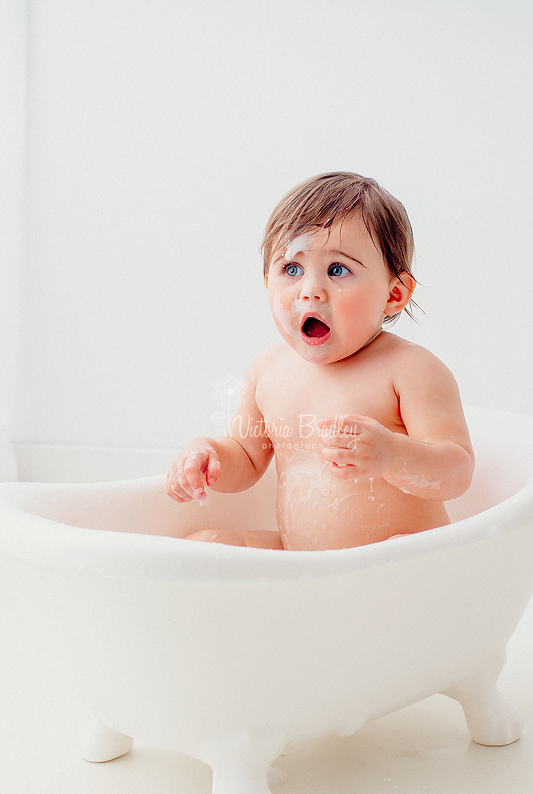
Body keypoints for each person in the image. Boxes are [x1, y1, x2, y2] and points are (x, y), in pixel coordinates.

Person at [165, 172, 474, 551]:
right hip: (305, 565)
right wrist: (209, 455)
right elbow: (246, 457)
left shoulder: (410, 370)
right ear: (267, 282)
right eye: (291, 269)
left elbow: (456, 472)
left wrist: (393, 455)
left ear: (394, 293)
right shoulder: (267, 372)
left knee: (398, 564)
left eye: (338, 270)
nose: (310, 292)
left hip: (392, 565)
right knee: (203, 545)